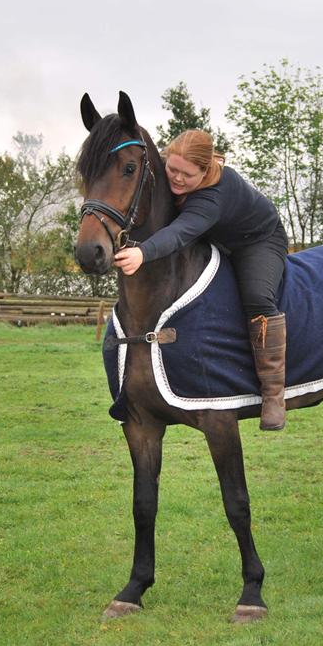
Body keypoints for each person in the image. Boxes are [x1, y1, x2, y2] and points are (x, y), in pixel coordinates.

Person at [113, 129, 289, 431]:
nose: (177, 179)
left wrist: (142, 253)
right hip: (213, 236)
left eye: (187, 175)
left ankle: (273, 394)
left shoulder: (215, 193)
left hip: (256, 240)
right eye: (172, 169)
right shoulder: (171, 173)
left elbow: (181, 231)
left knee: (258, 297)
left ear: (205, 171)